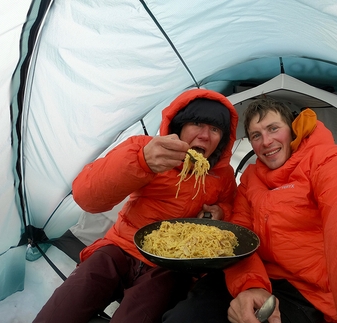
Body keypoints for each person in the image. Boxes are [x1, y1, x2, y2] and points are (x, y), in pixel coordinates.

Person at [163, 97, 337, 323]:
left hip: (307, 291)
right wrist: (250, 286)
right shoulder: (250, 180)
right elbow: (240, 235)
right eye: (256, 135)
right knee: (184, 316)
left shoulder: (323, 160)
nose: (266, 141)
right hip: (256, 271)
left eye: (274, 128)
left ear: (293, 130)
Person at [33, 88, 239, 323]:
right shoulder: (146, 147)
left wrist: (222, 212)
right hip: (119, 247)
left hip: (169, 266)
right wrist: (142, 161)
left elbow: (230, 209)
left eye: (215, 129)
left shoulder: (223, 175)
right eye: (197, 123)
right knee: (62, 309)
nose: (205, 135)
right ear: (180, 126)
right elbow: (86, 196)